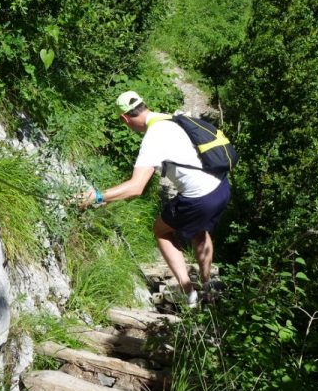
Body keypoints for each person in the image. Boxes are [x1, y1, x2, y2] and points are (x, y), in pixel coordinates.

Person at [78, 91, 231, 307]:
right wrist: (112, 198)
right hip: (222, 187)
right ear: (144, 105)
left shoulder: (153, 137)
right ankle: (207, 287)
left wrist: (98, 196)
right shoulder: (171, 118)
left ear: (125, 118)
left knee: (162, 230)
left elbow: (136, 187)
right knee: (200, 229)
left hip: (200, 197)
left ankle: (189, 293)